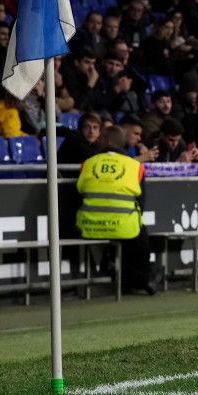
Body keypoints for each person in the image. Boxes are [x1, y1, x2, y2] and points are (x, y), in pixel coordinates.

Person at [75, 125, 160, 295]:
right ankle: (142, 280)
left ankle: (116, 267)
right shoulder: (135, 166)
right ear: (122, 144)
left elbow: (79, 193)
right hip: (123, 227)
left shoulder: (87, 164)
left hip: (87, 226)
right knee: (138, 233)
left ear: (104, 141)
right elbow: (141, 204)